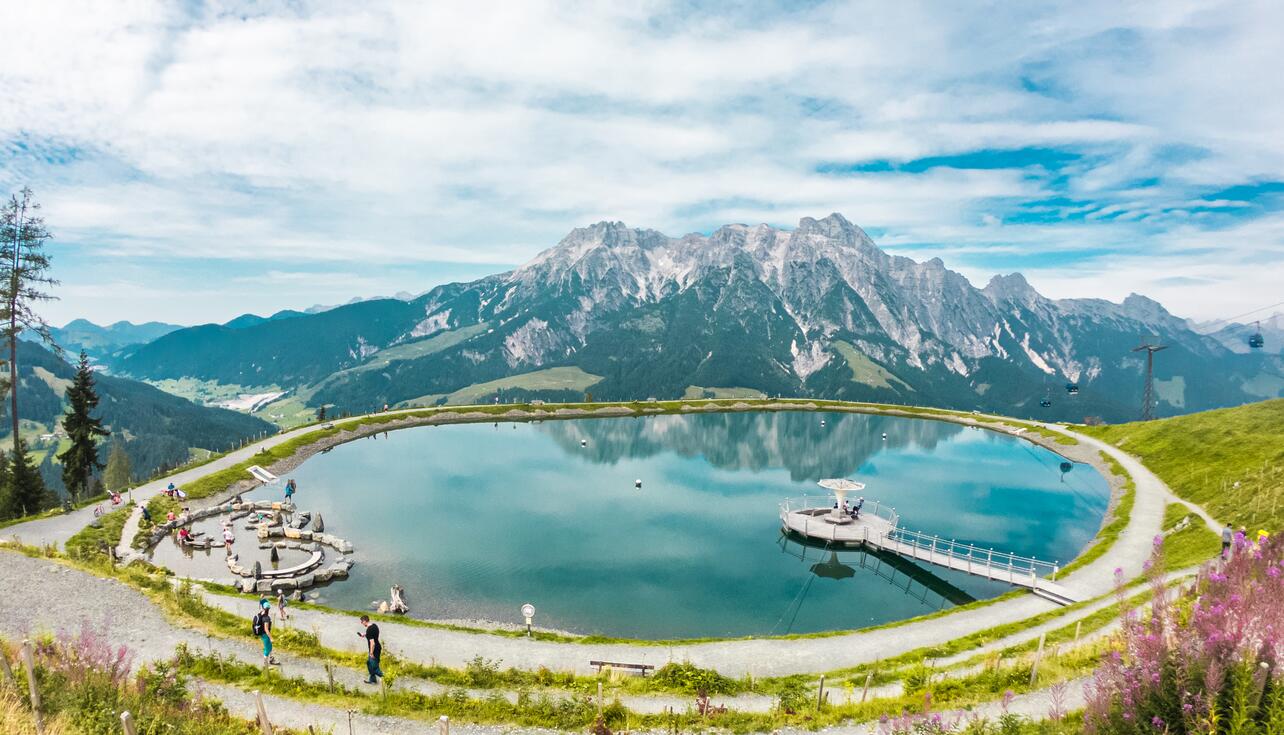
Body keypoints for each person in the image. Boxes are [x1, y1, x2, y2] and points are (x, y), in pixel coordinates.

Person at [359, 615, 383, 684]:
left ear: (364, 621)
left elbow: (372, 643)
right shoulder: (374, 626)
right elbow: (373, 634)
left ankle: (386, 678)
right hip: (378, 648)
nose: (361, 623)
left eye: (361, 622)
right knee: (369, 664)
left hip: (374, 650)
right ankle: (372, 680)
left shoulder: (369, 630)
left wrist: (371, 653)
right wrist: (365, 634)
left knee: (375, 668)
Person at [254, 599, 278, 665]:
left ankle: (271, 659)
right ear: (268, 609)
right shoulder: (266, 618)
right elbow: (266, 629)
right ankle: (265, 664)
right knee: (267, 649)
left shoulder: (261, 613)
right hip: (265, 635)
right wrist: (271, 638)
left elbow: (261, 604)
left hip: (262, 634)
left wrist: (261, 599)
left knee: (269, 646)